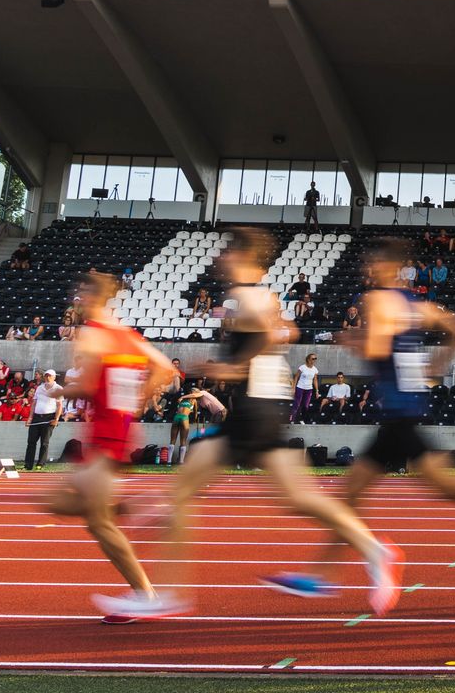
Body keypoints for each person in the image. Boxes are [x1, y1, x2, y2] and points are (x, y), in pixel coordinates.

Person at [117, 229, 401, 621]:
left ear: (242, 257)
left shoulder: (250, 296)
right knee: (297, 497)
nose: (220, 259)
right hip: (265, 404)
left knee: (182, 495)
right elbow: (288, 331)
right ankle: (374, 548)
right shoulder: (261, 296)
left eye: (227, 253)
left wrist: (230, 367)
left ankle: (167, 594)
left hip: (256, 406)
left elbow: (271, 335)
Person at [269, 239, 455, 602]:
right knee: (373, 493)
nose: (368, 269)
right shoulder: (416, 304)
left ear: (387, 265)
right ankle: (323, 573)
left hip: (399, 411)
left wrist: (349, 339)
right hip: (405, 407)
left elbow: (377, 348)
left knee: (425, 486)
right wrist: (438, 362)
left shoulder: (378, 300)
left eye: (372, 262)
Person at [54, 271, 181, 620]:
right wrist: (137, 398)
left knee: (97, 521)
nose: (77, 300)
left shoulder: (94, 333)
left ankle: (146, 594)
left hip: (108, 432)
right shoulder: (125, 334)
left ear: (95, 298)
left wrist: (58, 391)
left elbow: (90, 385)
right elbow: (165, 368)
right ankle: (146, 507)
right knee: (57, 501)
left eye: (81, 294)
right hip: (119, 428)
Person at [27, 369, 64, 470]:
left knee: (44, 442)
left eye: (50, 376)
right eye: (46, 376)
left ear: (54, 377)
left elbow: (59, 405)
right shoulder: (39, 388)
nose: (47, 378)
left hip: (49, 417)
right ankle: (28, 464)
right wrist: (30, 417)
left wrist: (56, 419)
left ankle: (41, 463)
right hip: (37, 417)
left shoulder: (58, 388)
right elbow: (34, 403)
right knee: (31, 441)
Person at [291, 354, 320, 423]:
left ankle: (302, 419)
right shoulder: (302, 367)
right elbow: (296, 377)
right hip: (300, 388)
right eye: (313, 359)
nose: (314, 360)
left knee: (305, 406)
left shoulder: (315, 369)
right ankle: (292, 419)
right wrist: (293, 388)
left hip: (309, 389)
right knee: (296, 404)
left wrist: (317, 391)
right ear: (308, 359)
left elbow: (315, 380)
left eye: (315, 359)